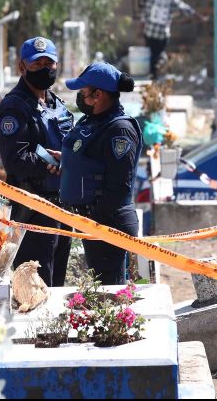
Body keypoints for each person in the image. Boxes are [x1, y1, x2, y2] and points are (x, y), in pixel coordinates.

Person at [0, 37, 74, 287]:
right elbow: (16, 159)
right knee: (37, 288)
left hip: (62, 207)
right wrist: (50, 162)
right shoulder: (13, 107)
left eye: (49, 63)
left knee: (57, 286)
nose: (45, 69)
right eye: (37, 63)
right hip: (34, 211)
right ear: (22, 67)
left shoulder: (55, 103)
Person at [60, 62, 143, 285]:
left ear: (98, 95)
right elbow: (92, 161)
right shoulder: (94, 121)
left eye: (83, 93)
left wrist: (94, 218)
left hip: (108, 223)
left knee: (112, 292)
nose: (80, 97)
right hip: (94, 221)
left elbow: (119, 186)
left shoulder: (120, 130)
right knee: (103, 290)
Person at [140, 0, 209, 79]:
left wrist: (143, 27)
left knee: (152, 53)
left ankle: (153, 72)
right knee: (158, 53)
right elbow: (186, 9)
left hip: (149, 31)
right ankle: (156, 72)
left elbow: (145, 13)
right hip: (162, 33)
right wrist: (201, 17)